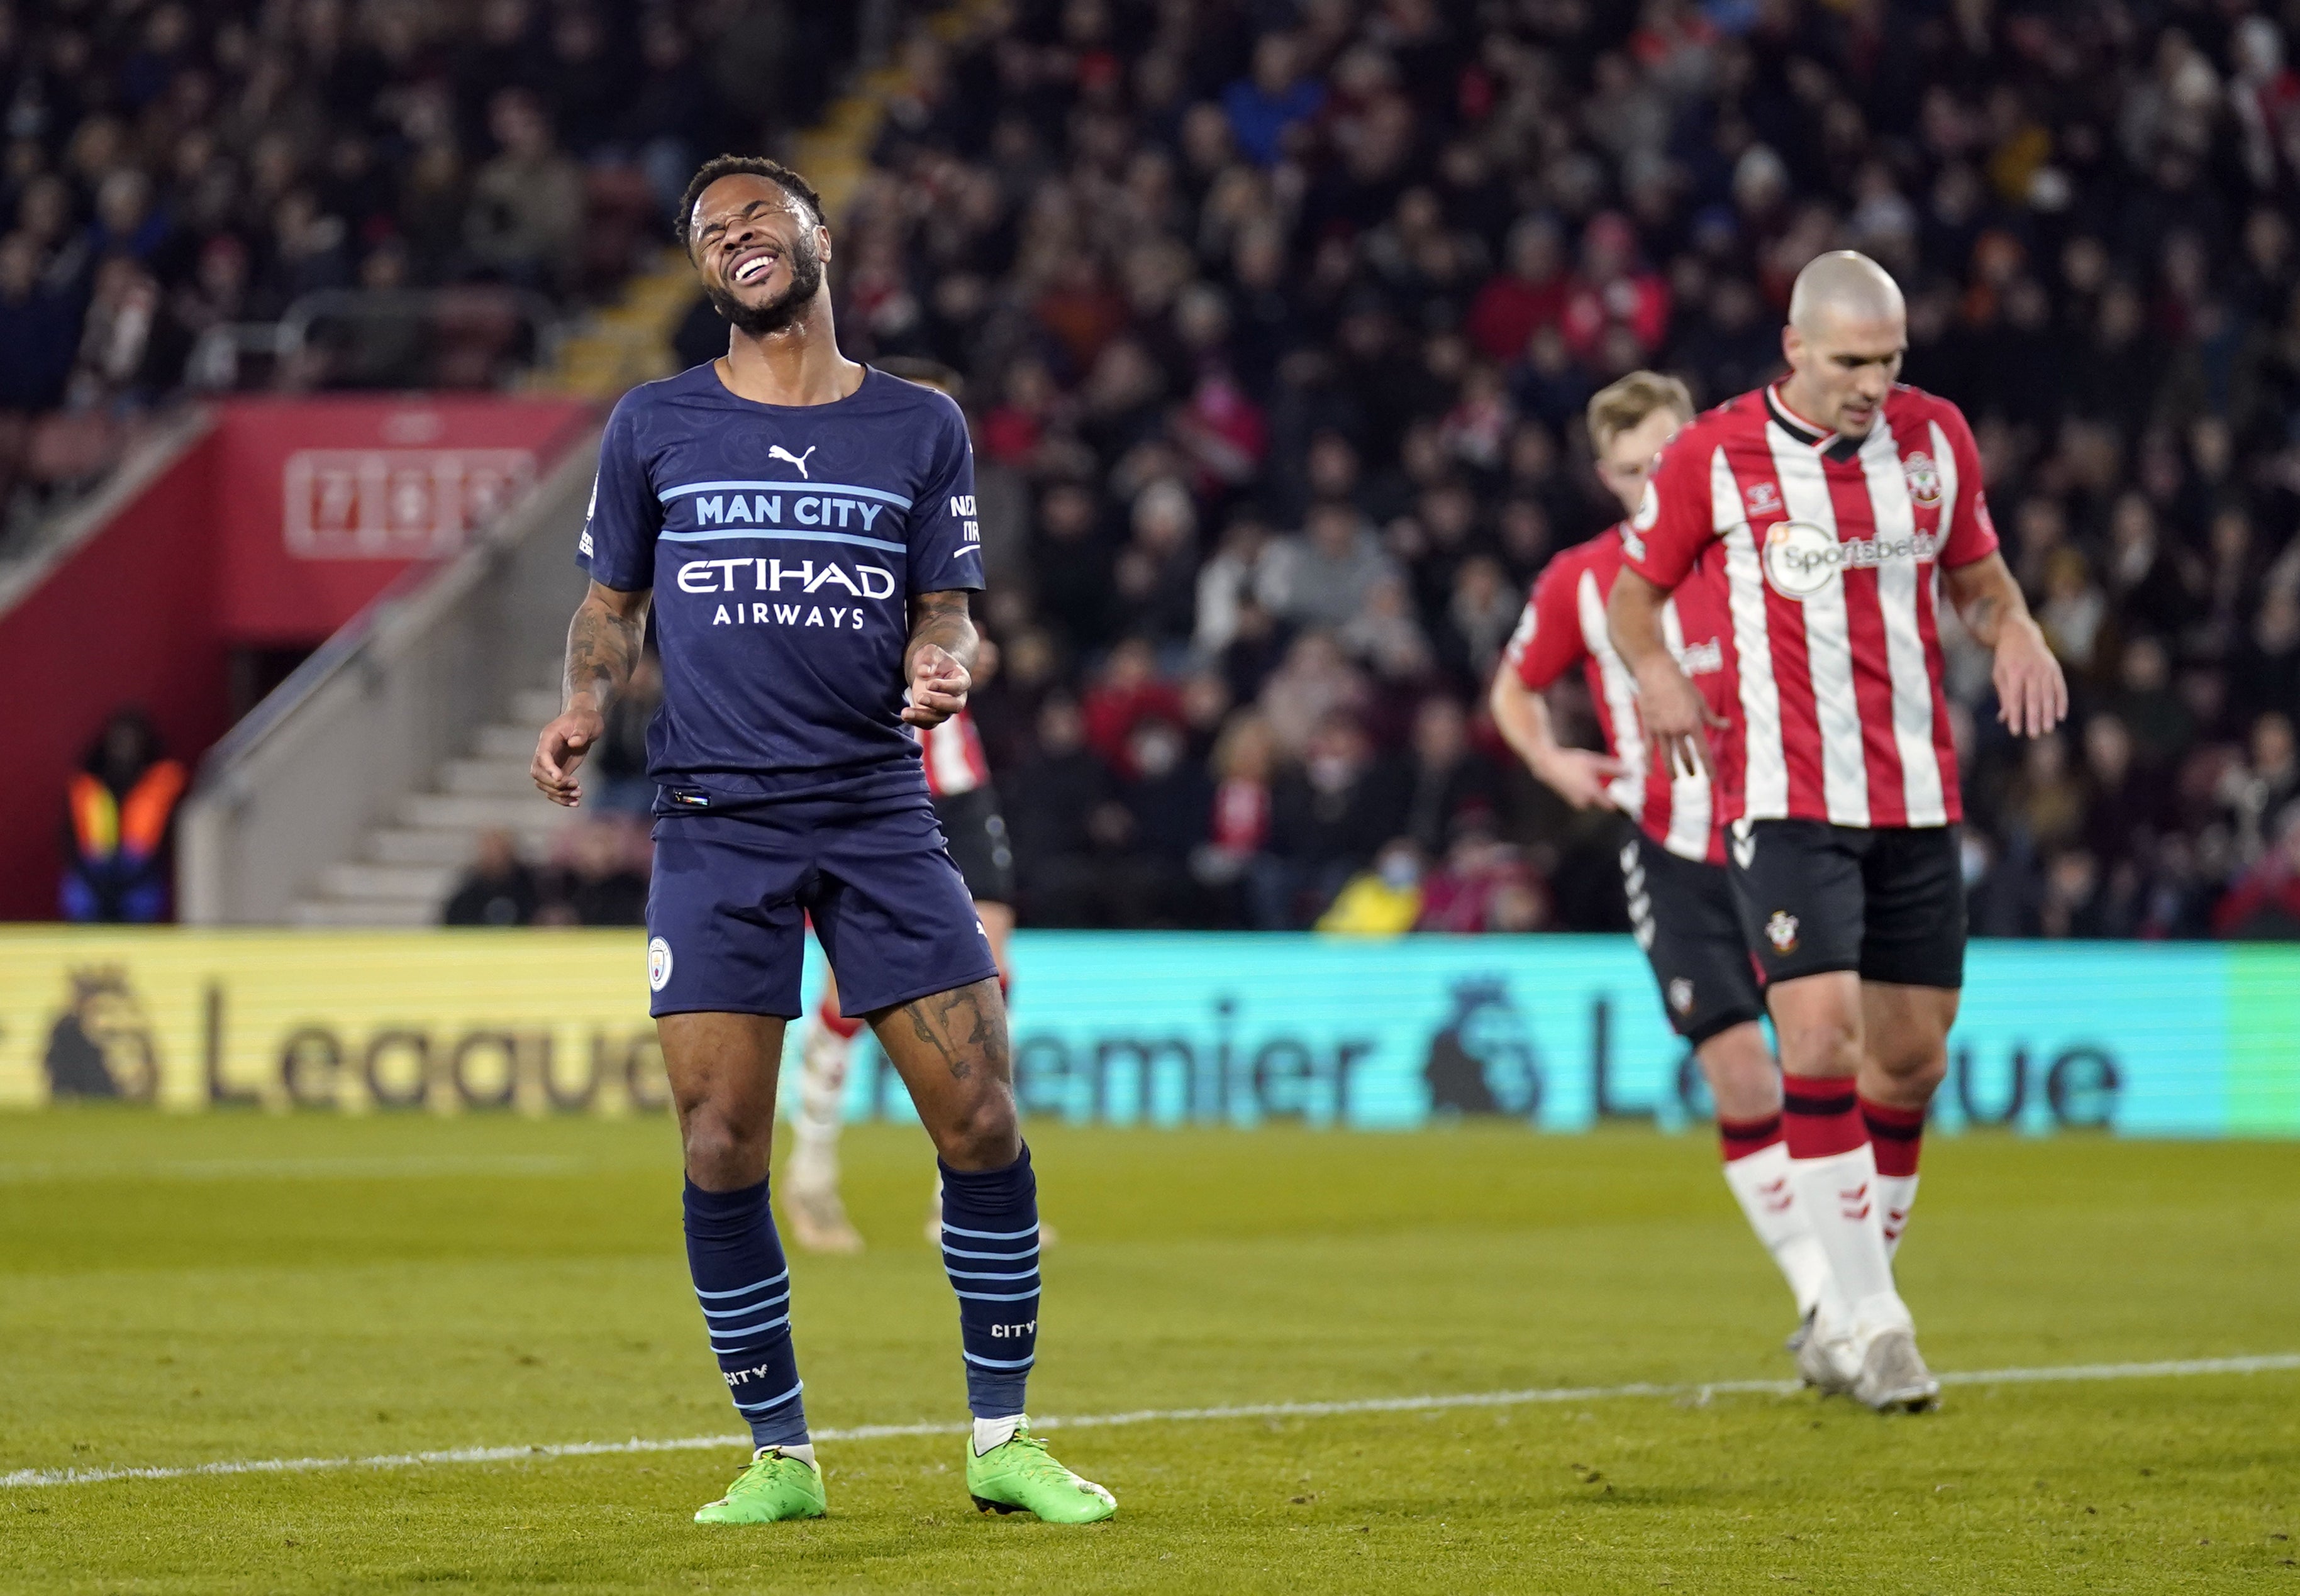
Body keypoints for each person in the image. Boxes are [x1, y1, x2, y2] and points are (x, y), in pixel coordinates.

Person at [530, 155, 1114, 1527]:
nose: (733, 239)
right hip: (713, 823)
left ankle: (1003, 1441)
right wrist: (581, 703)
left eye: (756, 218)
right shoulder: (653, 423)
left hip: (875, 810)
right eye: (707, 231)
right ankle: (779, 1456)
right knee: (719, 1138)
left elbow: (946, 608)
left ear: (818, 237)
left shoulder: (919, 427)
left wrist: (940, 661)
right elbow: (609, 603)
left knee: (978, 1118)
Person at [1606, 252, 2067, 1412]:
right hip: (1781, 794)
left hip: (1915, 794)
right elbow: (1631, 599)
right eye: (1854, 361)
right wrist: (1657, 673)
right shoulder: (1712, 453)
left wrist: (2012, 629)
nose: (1874, 382)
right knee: (1815, 1038)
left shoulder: (1935, 440)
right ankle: (1875, 1317)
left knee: (1910, 1059)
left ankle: (1837, 1311)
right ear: (1796, 350)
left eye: (1891, 360)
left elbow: (1979, 577)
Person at [1491, 370, 1831, 1348]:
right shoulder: (1584, 579)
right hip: (1670, 848)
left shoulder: (1764, 547)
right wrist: (1551, 758)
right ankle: (1824, 1297)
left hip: (1785, 826)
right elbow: (1512, 691)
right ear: (1606, 476)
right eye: (1636, 468)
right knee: (1741, 1077)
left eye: (1671, 458)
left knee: (1826, 1060)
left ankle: (1849, 1286)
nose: (1656, 479)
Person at [782, 696, 1019, 1255]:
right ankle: (810, 1175)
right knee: (846, 994)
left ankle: (961, 1198)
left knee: (993, 974)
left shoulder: (936, 602)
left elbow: (957, 631)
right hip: (869, 784)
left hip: (958, 786)